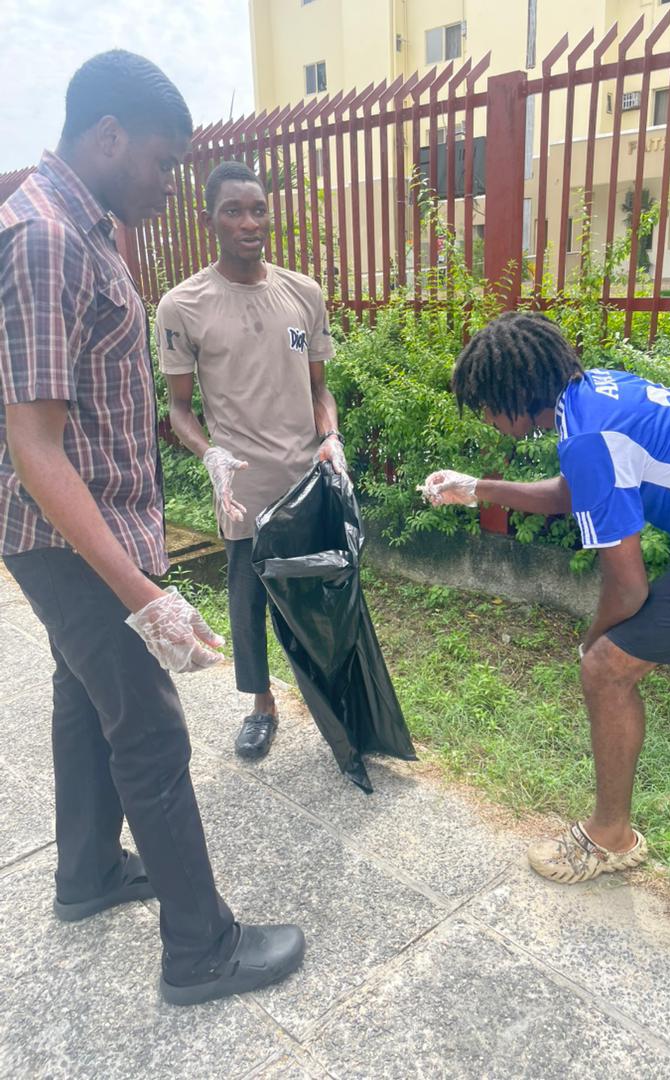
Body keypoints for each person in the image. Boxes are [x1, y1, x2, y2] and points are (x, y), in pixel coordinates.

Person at [0, 50, 304, 1006]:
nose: (172, 184)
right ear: (108, 136)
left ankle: (88, 871)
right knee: (151, 731)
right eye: (164, 162)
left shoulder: (84, 228)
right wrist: (143, 595)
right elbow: (34, 446)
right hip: (72, 540)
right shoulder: (47, 237)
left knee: (82, 695)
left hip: (86, 528)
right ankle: (201, 950)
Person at [422, 311, 670, 885]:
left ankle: (610, 838)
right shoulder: (597, 390)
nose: (485, 417)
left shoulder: (587, 436)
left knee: (606, 670)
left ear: (514, 396)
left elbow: (628, 587)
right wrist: (477, 488)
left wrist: (592, 643)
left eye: (484, 405)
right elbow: (577, 491)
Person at [155, 160, 344, 762]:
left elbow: (320, 390)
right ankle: (262, 706)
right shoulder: (183, 305)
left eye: (258, 209)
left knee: (317, 596)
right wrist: (209, 453)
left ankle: (331, 701)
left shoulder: (303, 293)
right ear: (208, 220)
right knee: (250, 600)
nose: (248, 222)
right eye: (233, 211)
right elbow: (179, 409)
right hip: (243, 486)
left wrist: (331, 436)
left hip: (304, 479)